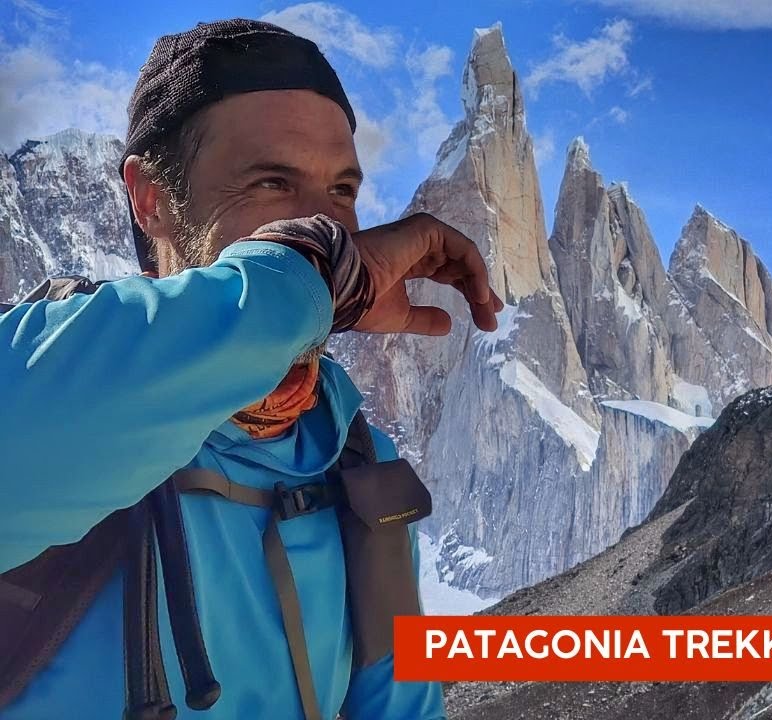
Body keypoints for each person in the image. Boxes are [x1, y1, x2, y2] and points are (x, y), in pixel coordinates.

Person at [0, 19, 504, 719]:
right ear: (151, 200)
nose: (324, 227)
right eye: (272, 182)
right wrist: (308, 278)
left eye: (342, 193)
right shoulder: (50, 364)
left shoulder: (357, 459)